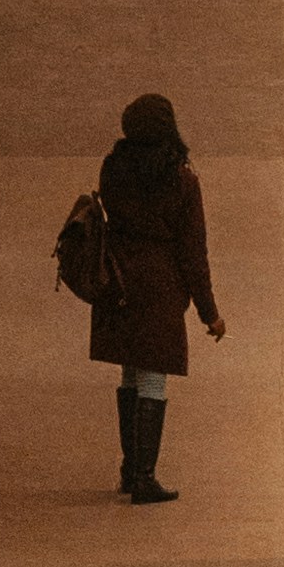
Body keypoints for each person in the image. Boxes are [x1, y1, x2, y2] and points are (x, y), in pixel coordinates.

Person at [85, 89, 225, 503]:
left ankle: (130, 469)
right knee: (152, 377)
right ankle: (145, 477)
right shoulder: (181, 181)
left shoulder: (113, 169)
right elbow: (192, 253)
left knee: (130, 371)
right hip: (159, 286)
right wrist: (210, 313)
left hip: (119, 279)